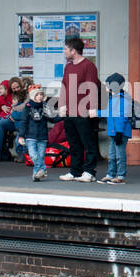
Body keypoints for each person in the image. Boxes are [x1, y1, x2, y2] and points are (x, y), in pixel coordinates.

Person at [58, 37, 101, 182]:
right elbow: (64, 86)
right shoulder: (68, 66)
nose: (64, 52)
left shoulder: (88, 66)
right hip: (70, 111)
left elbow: (92, 87)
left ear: (73, 50)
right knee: (74, 142)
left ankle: (89, 172)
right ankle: (75, 171)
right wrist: (62, 105)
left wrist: (92, 108)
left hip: (84, 111)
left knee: (88, 143)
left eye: (65, 49)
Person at [90, 72, 140, 184]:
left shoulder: (123, 99)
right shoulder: (113, 98)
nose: (107, 89)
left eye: (108, 86)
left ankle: (121, 176)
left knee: (119, 155)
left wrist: (119, 132)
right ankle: (110, 174)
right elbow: (110, 113)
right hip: (114, 132)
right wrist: (97, 113)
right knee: (112, 155)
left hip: (120, 133)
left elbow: (122, 117)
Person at [15, 84, 58, 181]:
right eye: (37, 95)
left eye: (41, 95)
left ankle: (36, 175)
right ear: (33, 96)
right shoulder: (28, 107)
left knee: (41, 156)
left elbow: (52, 119)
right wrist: (21, 136)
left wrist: (63, 116)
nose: (40, 96)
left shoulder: (45, 107)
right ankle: (43, 169)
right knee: (33, 156)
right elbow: (23, 122)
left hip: (42, 137)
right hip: (31, 137)